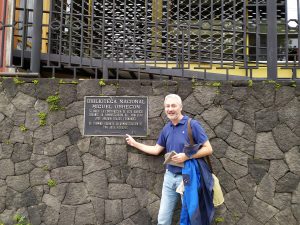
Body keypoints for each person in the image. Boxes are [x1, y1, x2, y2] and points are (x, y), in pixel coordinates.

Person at [125, 94, 213, 225]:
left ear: (180, 107)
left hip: (187, 177)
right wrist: (135, 144)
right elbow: (156, 150)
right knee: (163, 219)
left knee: (189, 216)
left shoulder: (192, 125)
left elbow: (208, 149)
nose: (170, 109)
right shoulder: (167, 128)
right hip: (169, 177)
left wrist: (187, 156)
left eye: (173, 105)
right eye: (167, 106)